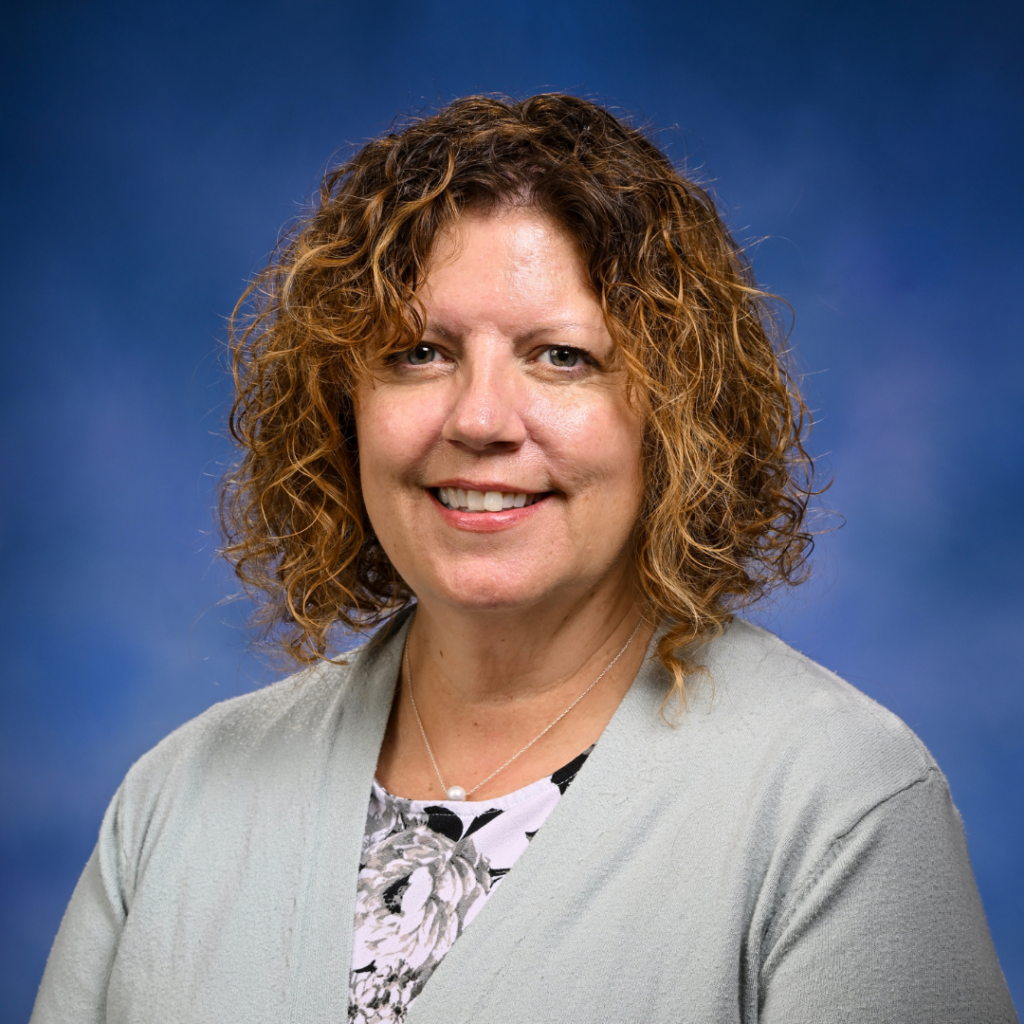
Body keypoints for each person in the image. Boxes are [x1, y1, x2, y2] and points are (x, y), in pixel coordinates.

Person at [31, 94, 1016, 1024]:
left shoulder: (837, 806)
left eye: (561, 356)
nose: (479, 419)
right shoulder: (178, 797)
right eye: (420, 351)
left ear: (675, 417)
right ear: (341, 406)